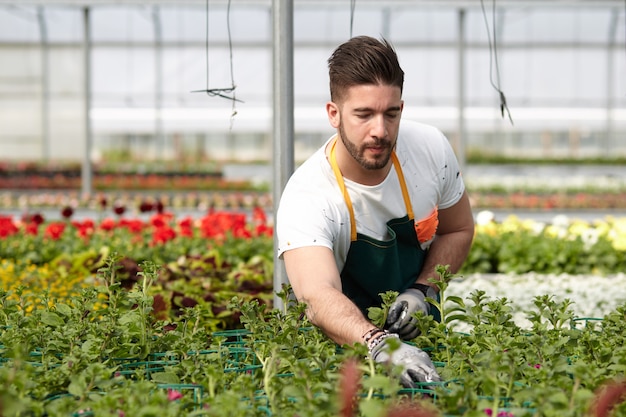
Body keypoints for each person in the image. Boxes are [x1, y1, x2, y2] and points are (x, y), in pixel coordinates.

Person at [275, 35, 475, 388]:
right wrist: (380, 345)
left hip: (425, 342)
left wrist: (423, 293)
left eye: (391, 113)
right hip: (338, 362)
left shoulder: (430, 150)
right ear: (333, 114)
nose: (380, 131)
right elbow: (317, 295)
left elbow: (457, 230)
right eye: (364, 115)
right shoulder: (308, 195)